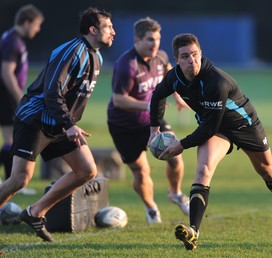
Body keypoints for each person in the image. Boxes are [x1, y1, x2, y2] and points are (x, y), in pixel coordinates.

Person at [149, 33, 272, 250]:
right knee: (203, 169)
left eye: (195, 55)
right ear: (176, 59)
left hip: (245, 126)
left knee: (267, 171)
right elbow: (157, 95)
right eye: (185, 56)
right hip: (217, 130)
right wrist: (154, 130)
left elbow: (207, 128)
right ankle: (193, 231)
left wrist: (180, 145)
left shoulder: (216, 82)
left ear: (201, 54)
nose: (191, 60)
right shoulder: (173, 77)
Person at [0, 7, 115, 242]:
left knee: (86, 171)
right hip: (36, 120)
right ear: (93, 30)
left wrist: (67, 124)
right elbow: (52, 92)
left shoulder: (98, 57)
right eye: (108, 27)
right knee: (20, 179)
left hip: (61, 124)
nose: (113, 31)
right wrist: (68, 123)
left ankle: (35, 212)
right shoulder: (71, 52)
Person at [107, 17, 189, 224]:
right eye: (150, 39)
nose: (155, 44)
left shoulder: (160, 57)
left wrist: (178, 96)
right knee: (141, 172)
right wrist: (149, 105)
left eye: (158, 39)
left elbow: (171, 73)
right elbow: (119, 99)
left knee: (176, 155)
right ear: (137, 39)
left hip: (152, 120)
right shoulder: (127, 65)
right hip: (124, 126)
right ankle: (151, 208)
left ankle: (176, 193)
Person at [0, 4, 44, 194]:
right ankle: (11, 184)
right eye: (36, 25)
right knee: (11, 138)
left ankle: (9, 183)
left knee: (9, 138)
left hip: (6, 96)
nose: (37, 29)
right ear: (26, 23)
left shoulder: (10, 37)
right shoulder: (13, 42)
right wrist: (20, 97)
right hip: (7, 96)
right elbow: (6, 72)